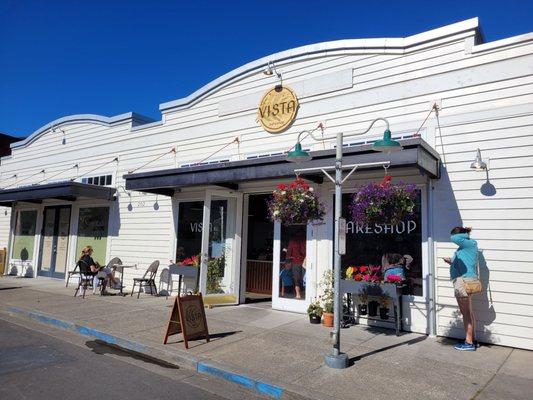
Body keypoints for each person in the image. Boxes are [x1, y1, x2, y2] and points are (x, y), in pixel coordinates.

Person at [443, 227, 479, 351]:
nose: (453, 239)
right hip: (464, 280)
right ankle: (471, 340)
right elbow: (464, 262)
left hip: (463, 281)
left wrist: (464, 232)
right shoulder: (465, 247)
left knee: (466, 313)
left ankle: (468, 343)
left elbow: (454, 237)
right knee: (468, 312)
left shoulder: (469, 243)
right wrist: (451, 261)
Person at [286, 230, 306, 299]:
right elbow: (304, 251)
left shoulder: (292, 241)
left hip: (296, 262)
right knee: (305, 278)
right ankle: (305, 293)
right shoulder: (304, 240)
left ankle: (298, 295)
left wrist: (287, 261)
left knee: (296, 279)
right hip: (305, 261)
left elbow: (289, 252)